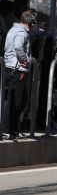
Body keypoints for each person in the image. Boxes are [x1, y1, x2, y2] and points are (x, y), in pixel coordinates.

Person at [1, 10, 37, 139]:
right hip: (17, 70)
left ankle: (12, 130)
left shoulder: (13, 29)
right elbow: (18, 47)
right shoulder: (22, 32)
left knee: (16, 101)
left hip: (11, 68)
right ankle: (7, 130)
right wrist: (25, 61)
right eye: (35, 22)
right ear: (30, 22)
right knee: (17, 102)